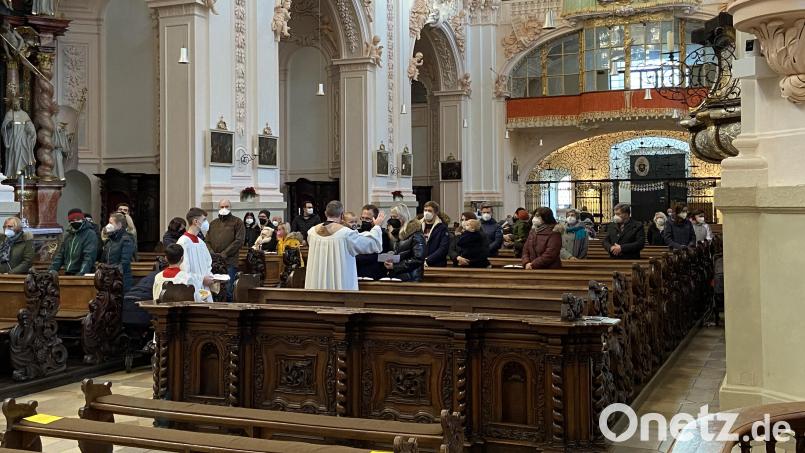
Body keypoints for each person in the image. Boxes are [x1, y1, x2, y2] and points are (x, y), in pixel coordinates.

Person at [304, 200, 384, 290]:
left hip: (316, 286)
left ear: (326, 213)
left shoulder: (312, 233)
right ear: (342, 215)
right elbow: (371, 243)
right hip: (340, 289)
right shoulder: (346, 234)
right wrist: (377, 226)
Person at [206, 199, 245, 301]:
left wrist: (224, 254)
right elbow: (207, 240)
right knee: (213, 290)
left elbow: (239, 241)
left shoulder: (237, 222)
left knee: (228, 290)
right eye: (222, 207)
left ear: (230, 208)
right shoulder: (213, 223)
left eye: (226, 207)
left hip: (229, 261)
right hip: (214, 262)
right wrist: (212, 253)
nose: (224, 209)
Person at [177, 207, 214, 302]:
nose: (206, 223)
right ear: (196, 221)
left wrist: (210, 276)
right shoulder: (183, 242)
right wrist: (201, 279)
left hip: (205, 287)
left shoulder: (201, 242)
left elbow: (208, 263)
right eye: (204, 220)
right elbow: (184, 269)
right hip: (192, 288)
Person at [383, 204, 426, 281]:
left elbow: (418, 259)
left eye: (395, 217)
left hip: (410, 277)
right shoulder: (396, 234)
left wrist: (395, 266)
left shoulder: (416, 234)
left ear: (403, 217)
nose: (392, 220)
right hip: (396, 276)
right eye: (391, 217)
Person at [51, 208, 99, 275]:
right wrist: (52, 270)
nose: (75, 222)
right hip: (69, 272)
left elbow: (89, 256)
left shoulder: (90, 234)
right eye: (72, 220)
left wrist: (82, 273)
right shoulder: (68, 236)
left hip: (83, 274)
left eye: (78, 219)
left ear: (82, 219)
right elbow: (60, 255)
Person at [101, 212, 136, 292]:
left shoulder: (126, 239)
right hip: (109, 278)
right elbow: (104, 259)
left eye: (111, 223)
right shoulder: (110, 240)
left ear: (119, 225)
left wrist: (112, 271)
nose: (108, 225)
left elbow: (125, 262)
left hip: (121, 279)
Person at [357, 204, 391, 280]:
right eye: (362, 218)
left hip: (375, 274)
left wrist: (358, 257)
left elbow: (380, 255)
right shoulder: (357, 232)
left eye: (368, 219)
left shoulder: (383, 234)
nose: (364, 221)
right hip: (358, 273)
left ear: (375, 219)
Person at [422, 201, 449, 267]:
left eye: (430, 211)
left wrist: (428, 260)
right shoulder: (418, 226)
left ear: (436, 212)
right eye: (425, 210)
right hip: (419, 264)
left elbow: (443, 248)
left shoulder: (442, 228)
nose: (426, 213)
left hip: (436, 264)